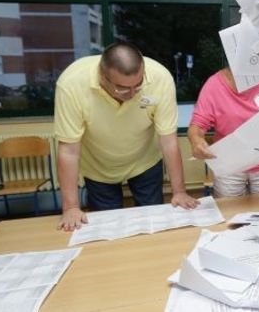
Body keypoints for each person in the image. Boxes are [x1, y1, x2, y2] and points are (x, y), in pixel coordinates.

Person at [55, 42, 199, 231]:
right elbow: (69, 151)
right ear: (102, 77)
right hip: (99, 167)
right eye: (122, 88)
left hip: (145, 161)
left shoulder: (160, 78)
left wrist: (179, 191)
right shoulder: (72, 84)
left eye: (138, 86)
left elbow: (168, 140)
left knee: (154, 225)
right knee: (108, 229)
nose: (131, 94)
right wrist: (71, 207)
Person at [188, 67, 259, 197]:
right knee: (230, 212)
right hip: (229, 166)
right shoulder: (214, 85)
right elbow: (197, 125)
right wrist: (196, 141)